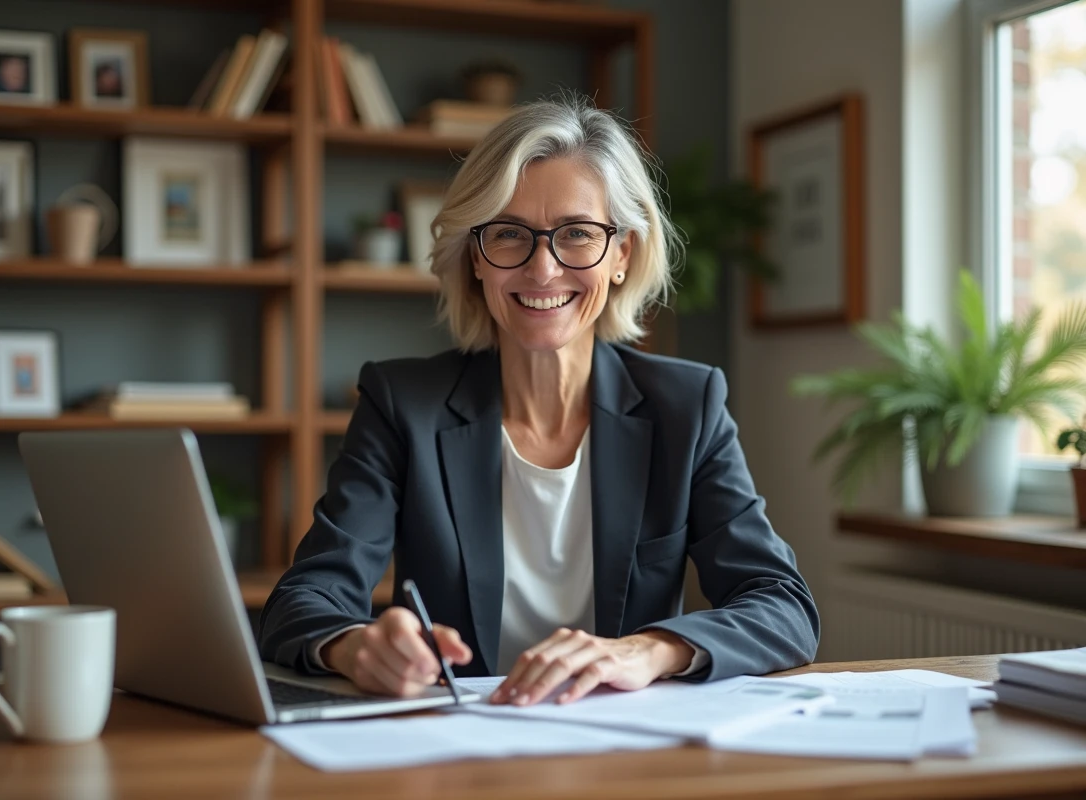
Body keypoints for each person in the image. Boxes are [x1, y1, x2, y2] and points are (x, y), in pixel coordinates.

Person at [258, 97, 819, 707]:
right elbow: (302, 602)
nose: (543, 269)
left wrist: (646, 650)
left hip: (628, 748)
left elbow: (782, 606)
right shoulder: (401, 405)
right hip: (457, 748)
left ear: (623, 253)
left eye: (577, 234)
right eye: (508, 235)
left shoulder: (687, 406)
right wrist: (354, 645)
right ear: (476, 257)